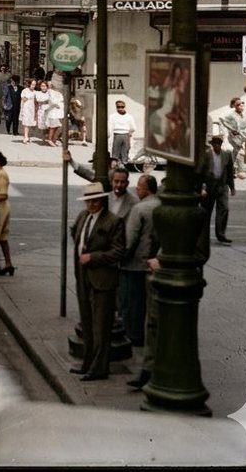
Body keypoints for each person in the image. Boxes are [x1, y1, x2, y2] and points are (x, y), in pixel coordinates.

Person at [69, 182, 126, 381]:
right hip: (83, 277)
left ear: (102, 200)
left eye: (95, 200)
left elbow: (118, 251)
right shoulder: (83, 216)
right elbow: (75, 233)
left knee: (101, 325)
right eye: (88, 201)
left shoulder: (113, 221)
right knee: (87, 322)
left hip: (102, 281)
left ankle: (99, 368)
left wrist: (92, 257)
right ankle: (88, 363)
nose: (91, 204)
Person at [120, 174, 158, 348]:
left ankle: (133, 335)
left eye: (139, 187)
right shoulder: (162, 206)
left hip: (135, 264)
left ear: (146, 189)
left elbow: (130, 239)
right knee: (145, 303)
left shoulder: (139, 209)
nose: (136, 189)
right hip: (152, 263)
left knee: (131, 303)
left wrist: (120, 258)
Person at [196, 135, 236, 249]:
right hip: (209, 186)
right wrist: (201, 188)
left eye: (219, 143)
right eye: (215, 143)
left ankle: (221, 234)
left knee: (224, 208)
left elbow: (230, 172)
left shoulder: (226, 155)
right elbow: (200, 173)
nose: (217, 145)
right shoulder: (206, 155)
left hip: (222, 186)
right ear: (212, 144)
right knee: (206, 211)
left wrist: (232, 187)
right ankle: (204, 235)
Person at [218, 96, 246, 180]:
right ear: (233, 106)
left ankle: (237, 171)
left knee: (239, 152)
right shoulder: (230, 115)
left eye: (242, 103)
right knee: (233, 152)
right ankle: (234, 171)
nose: (241, 105)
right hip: (232, 138)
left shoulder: (244, 115)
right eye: (238, 104)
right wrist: (229, 131)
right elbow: (223, 122)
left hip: (240, 137)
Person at [108, 100, 137, 165]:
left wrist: (130, 132)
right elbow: (109, 127)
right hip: (116, 135)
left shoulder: (129, 117)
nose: (120, 108)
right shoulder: (112, 116)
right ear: (116, 107)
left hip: (126, 135)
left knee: (124, 154)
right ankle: (115, 168)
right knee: (115, 156)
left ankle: (123, 167)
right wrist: (110, 136)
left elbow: (133, 127)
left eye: (122, 107)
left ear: (125, 107)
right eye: (118, 107)